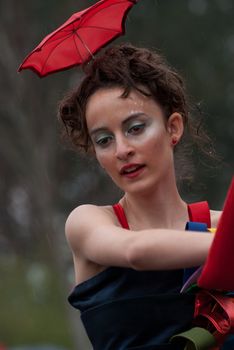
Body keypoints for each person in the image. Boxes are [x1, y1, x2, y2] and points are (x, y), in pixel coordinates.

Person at [58, 43, 222, 350]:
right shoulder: (88, 222)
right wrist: (225, 245)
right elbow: (136, 251)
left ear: (173, 128)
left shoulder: (220, 225)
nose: (122, 150)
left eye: (135, 128)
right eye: (104, 140)